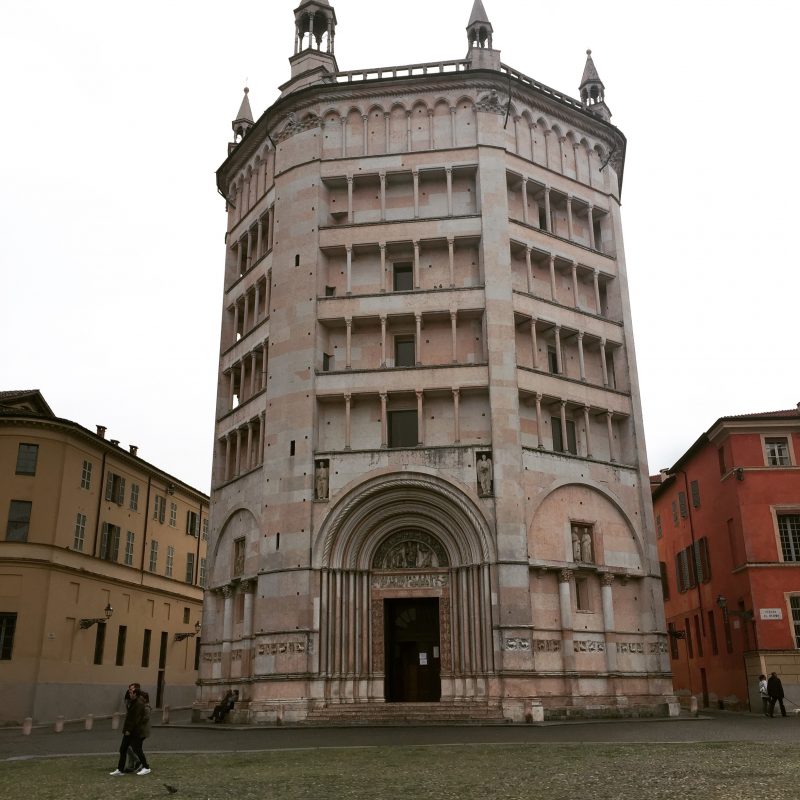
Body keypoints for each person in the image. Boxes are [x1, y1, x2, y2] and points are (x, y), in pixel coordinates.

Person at [110, 687, 151, 776]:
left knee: (137, 749)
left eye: (131, 693)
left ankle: (146, 767)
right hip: (129, 730)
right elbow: (130, 718)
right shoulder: (133, 702)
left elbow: (135, 719)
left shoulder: (139, 704)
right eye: (130, 693)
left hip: (133, 731)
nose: (130, 694)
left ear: (136, 694)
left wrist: (129, 730)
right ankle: (120, 769)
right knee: (123, 749)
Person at [123, 683, 141, 772]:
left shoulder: (139, 701)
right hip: (130, 727)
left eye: (132, 689)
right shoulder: (128, 698)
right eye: (129, 689)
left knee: (129, 746)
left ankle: (138, 761)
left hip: (135, 728)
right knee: (129, 746)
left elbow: (137, 716)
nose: (130, 691)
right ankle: (131, 765)